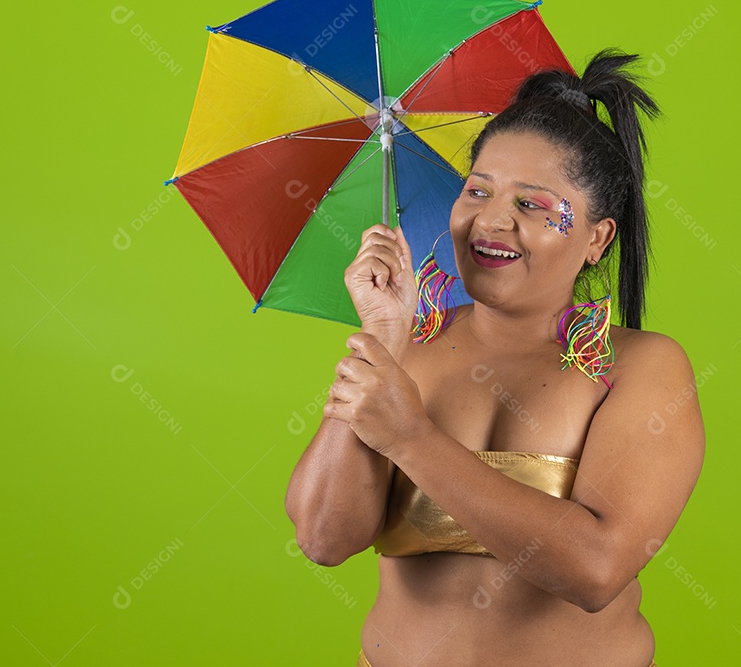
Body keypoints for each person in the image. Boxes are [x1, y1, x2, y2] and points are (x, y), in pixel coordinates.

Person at [285, 48, 706, 667]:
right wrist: (382, 338)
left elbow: (596, 570)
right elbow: (323, 538)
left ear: (597, 238)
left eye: (531, 205)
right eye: (477, 190)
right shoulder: (404, 349)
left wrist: (411, 438)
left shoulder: (638, 368)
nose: (490, 220)